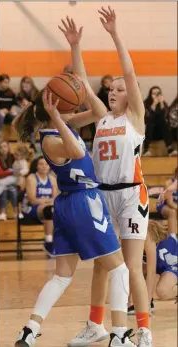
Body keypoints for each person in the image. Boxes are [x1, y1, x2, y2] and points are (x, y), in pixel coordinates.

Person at [59, 7, 152, 347]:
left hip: (131, 195)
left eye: (119, 88)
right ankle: (95, 326)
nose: (113, 92)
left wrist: (114, 35)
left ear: (131, 93)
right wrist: (75, 47)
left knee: (129, 265)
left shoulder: (135, 118)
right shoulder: (102, 118)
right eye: (110, 88)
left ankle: (142, 330)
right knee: (101, 266)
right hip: (102, 195)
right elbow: (82, 85)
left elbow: (129, 71)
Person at [13, 89, 136, 347]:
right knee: (119, 268)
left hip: (70, 204)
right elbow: (77, 153)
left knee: (62, 277)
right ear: (53, 112)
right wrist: (58, 117)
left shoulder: (63, 125)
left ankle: (29, 330)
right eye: (68, 104)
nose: (73, 107)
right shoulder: (50, 140)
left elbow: (101, 113)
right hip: (83, 202)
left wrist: (81, 90)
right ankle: (120, 335)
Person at [21, 155, 58, 252]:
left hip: (47, 209)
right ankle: (49, 243)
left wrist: (45, 201)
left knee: (54, 210)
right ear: (37, 166)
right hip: (29, 208)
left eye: (46, 164)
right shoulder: (31, 178)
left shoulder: (52, 179)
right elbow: (33, 200)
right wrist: (48, 201)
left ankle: (51, 241)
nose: (44, 166)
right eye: (41, 164)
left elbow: (55, 198)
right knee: (50, 210)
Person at [143, 86, 177, 157]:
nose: (156, 95)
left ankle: (170, 149)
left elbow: (166, 118)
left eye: (158, 93)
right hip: (149, 132)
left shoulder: (163, 104)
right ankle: (146, 149)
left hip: (161, 132)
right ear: (150, 94)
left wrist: (161, 104)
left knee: (163, 122)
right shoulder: (146, 104)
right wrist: (154, 104)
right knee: (150, 123)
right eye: (154, 93)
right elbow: (147, 119)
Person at [0, 140, 17, 220]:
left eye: (5, 146)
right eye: (0, 147)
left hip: (11, 182)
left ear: (8, 147)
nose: (3, 149)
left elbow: (18, 171)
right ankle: (2, 213)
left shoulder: (14, 157)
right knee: (4, 189)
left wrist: (9, 172)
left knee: (11, 189)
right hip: (1, 183)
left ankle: (16, 212)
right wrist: (10, 171)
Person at [157, 167, 178, 234]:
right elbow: (170, 203)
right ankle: (172, 239)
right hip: (164, 205)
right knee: (172, 212)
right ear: (175, 174)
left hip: (176, 207)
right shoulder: (169, 184)